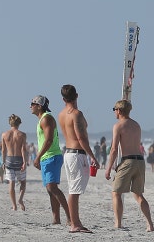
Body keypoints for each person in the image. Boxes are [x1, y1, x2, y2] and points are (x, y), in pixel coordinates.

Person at [104, 100, 154, 232]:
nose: (114, 112)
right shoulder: (136, 125)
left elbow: (114, 149)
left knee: (116, 193)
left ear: (119, 111)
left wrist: (108, 168)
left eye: (115, 109)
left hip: (128, 161)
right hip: (140, 161)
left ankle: (118, 223)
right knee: (138, 194)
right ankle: (150, 224)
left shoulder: (118, 125)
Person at [57, 85, 98, 233]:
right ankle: (74, 223)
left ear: (63, 99)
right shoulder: (76, 114)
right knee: (74, 190)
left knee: (74, 188)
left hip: (68, 153)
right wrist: (92, 156)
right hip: (76, 153)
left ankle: (75, 221)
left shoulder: (61, 114)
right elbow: (81, 137)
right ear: (77, 96)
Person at [30, 95, 71, 227]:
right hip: (47, 157)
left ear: (39, 106)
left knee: (52, 187)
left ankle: (70, 218)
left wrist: (37, 157)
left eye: (32, 104)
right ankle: (56, 218)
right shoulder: (42, 119)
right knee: (50, 189)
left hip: (52, 156)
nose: (30, 106)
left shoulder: (46, 118)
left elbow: (49, 140)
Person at [1, 114, 27, 211]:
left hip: (9, 160)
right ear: (19, 123)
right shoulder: (22, 134)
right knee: (23, 183)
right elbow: (23, 149)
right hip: (19, 160)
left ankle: (14, 205)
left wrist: (3, 162)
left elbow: (3, 150)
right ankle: (20, 200)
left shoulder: (4, 134)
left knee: (11, 183)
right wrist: (25, 162)